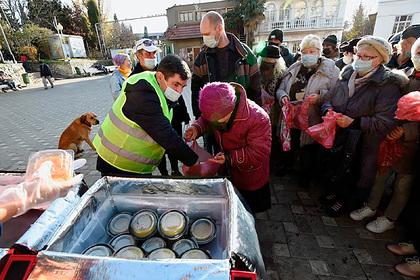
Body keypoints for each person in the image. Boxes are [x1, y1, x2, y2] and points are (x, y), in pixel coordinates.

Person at [321, 36, 406, 216]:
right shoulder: (346, 75)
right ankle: (335, 193)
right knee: (338, 167)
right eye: (359, 55)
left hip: (365, 141)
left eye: (367, 57)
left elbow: (387, 121)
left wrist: (355, 122)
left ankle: (348, 202)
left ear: (381, 59)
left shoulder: (388, 85)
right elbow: (329, 98)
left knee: (358, 173)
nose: (361, 59)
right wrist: (328, 110)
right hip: (342, 135)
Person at [349, 38, 420, 233]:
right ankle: (371, 206)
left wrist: (407, 131)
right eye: (418, 52)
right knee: (381, 175)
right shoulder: (406, 76)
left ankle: (390, 217)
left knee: (402, 184)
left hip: (411, 145)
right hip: (389, 137)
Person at [93, 54, 198, 176]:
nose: (179, 91)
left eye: (183, 86)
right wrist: (194, 162)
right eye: (176, 84)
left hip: (135, 167)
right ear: (160, 77)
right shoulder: (142, 92)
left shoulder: (159, 88)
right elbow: (165, 134)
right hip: (117, 164)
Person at [185, 82, 271, 213]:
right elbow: (206, 120)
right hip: (228, 170)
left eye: (218, 121)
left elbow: (259, 152)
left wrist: (230, 157)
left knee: (248, 209)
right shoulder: (216, 105)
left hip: (249, 175)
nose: (214, 124)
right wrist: (197, 128)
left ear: (230, 109)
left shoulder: (258, 118)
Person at [191, 11, 262, 155]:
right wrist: (202, 124)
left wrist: (255, 123)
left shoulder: (246, 56)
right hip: (213, 127)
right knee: (217, 163)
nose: (204, 38)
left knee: (240, 163)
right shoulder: (201, 59)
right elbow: (195, 93)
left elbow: (256, 92)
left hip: (241, 126)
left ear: (219, 28)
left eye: (207, 33)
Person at [276, 34, 340, 187]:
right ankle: (288, 167)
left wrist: (319, 98)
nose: (307, 55)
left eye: (311, 51)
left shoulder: (330, 69)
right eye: (304, 51)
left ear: (319, 52)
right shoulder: (294, 67)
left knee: (308, 147)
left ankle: (305, 176)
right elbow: (281, 89)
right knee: (290, 141)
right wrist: (283, 96)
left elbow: (336, 93)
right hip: (291, 114)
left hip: (312, 116)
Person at [258, 45, 287, 172]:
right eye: (266, 59)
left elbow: (281, 91)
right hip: (259, 110)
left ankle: (273, 163)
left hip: (275, 112)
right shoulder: (257, 71)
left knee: (274, 138)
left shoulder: (281, 74)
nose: (268, 62)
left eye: (271, 60)